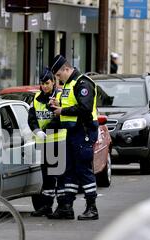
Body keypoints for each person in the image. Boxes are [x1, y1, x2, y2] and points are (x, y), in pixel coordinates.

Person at [48, 54, 99, 221]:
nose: (58, 79)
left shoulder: (83, 83)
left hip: (83, 131)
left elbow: (84, 108)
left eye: (58, 75)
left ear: (66, 69)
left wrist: (62, 111)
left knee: (83, 169)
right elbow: (71, 106)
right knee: (69, 169)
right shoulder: (69, 84)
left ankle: (92, 207)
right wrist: (58, 106)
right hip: (72, 132)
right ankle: (66, 207)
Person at [28, 67, 66, 217]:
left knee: (59, 175)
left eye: (47, 83)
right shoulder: (37, 97)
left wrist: (48, 129)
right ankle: (47, 206)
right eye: (42, 83)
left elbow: (61, 117)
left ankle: (63, 206)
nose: (44, 86)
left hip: (58, 141)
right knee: (47, 177)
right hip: (43, 142)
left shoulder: (60, 96)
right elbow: (31, 117)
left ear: (53, 82)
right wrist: (37, 130)